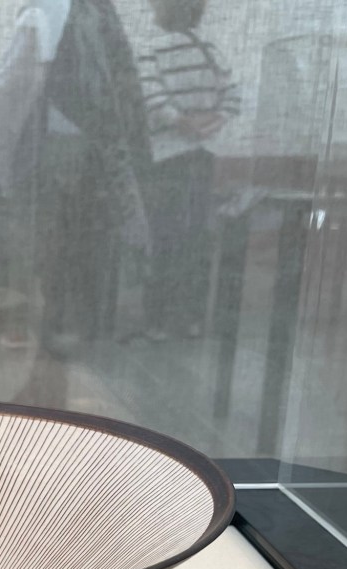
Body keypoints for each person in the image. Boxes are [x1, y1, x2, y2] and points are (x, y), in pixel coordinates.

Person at [0, 0, 152, 357]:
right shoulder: (100, 9)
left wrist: (0, 153)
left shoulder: (44, 9)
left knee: (31, 238)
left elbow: (16, 85)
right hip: (98, 148)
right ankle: (70, 324)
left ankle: (23, 326)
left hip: (49, 145)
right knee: (75, 240)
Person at [138, 0, 240, 340]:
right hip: (203, 156)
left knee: (163, 238)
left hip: (166, 158)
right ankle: (192, 318)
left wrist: (181, 122)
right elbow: (232, 98)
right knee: (196, 238)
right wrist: (210, 124)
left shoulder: (151, 50)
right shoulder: (211, 50)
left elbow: (151, 98)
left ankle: (157, 322)